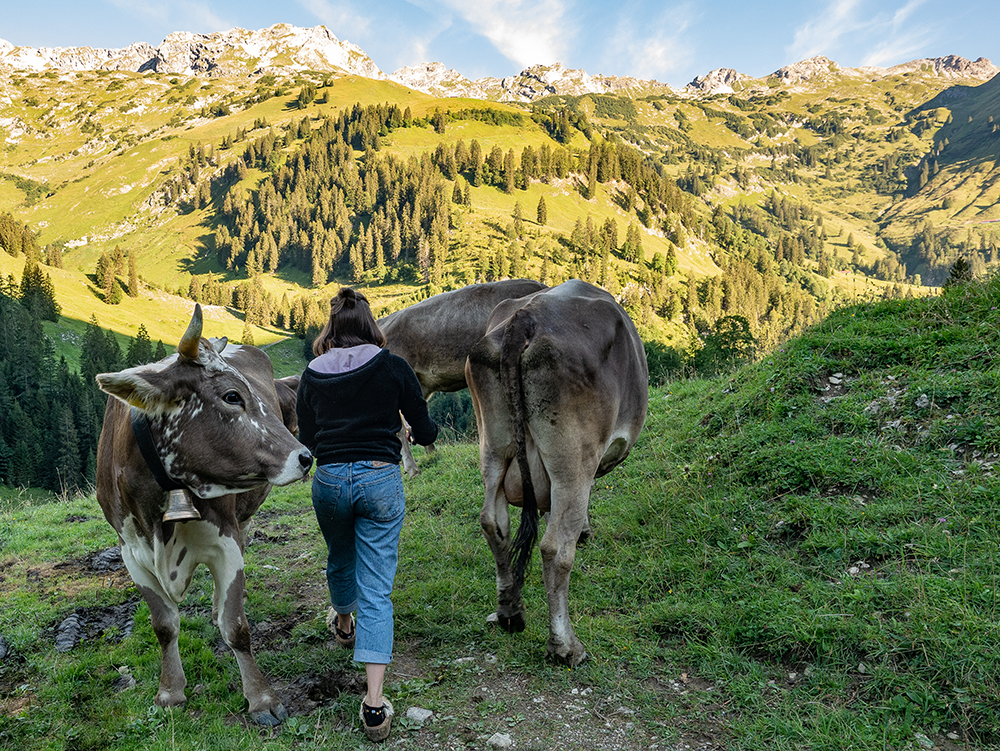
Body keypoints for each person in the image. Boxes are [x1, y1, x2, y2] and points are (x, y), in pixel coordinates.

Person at [296, 287, 437, 743]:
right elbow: (427, 428)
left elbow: (309, 437)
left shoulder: (312, 374)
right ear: (371, 325)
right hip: (380, 479)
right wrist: (414, 430)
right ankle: (374, 706)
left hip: (331, 480)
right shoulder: (393, 367)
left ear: (332, 329)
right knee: (376, 588)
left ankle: (342, 625)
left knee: (340, 555)